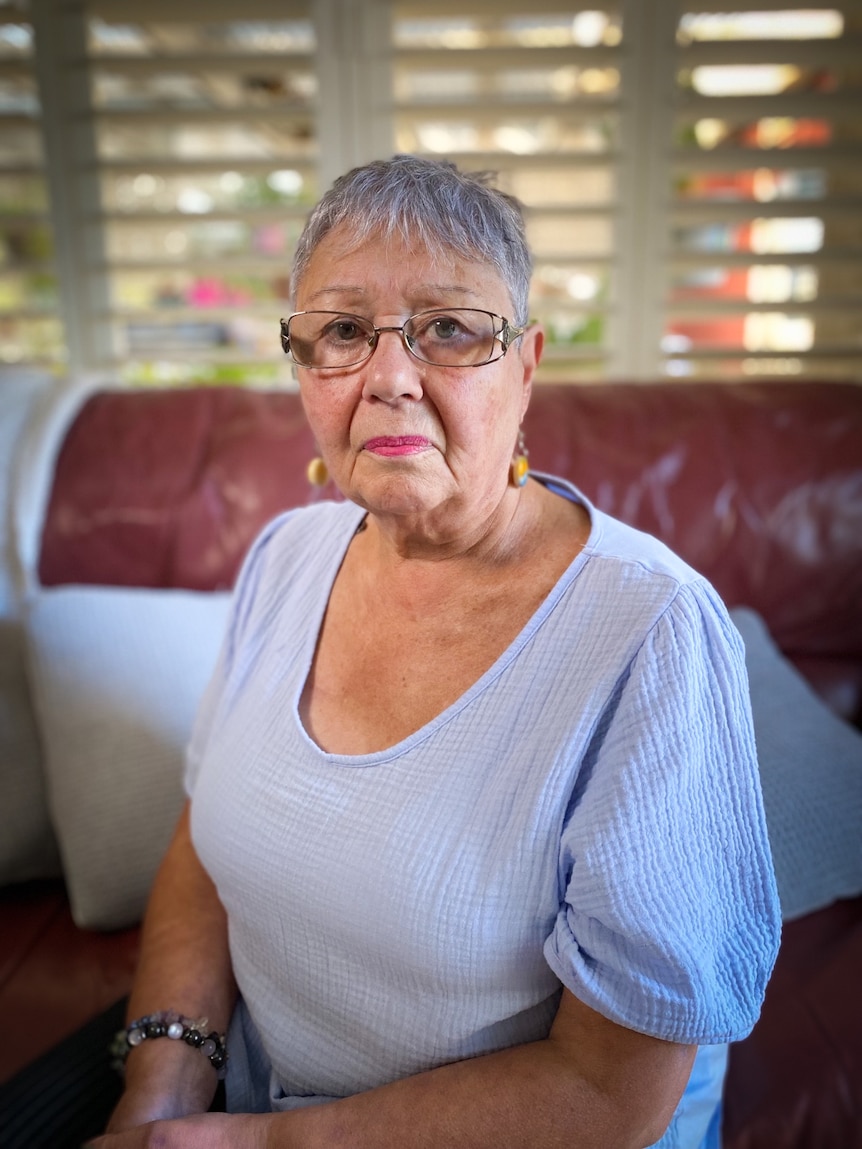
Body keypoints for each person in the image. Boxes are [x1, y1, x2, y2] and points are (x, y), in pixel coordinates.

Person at [88, 155, 780, 1149]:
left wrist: (259, 1144)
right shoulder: (284, 556)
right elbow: (204, 848)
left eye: (450, 329)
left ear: (527, 365)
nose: (389, 378)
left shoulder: (651, 629)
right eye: (340, 332)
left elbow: (606, 1095)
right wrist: (157, 1093)